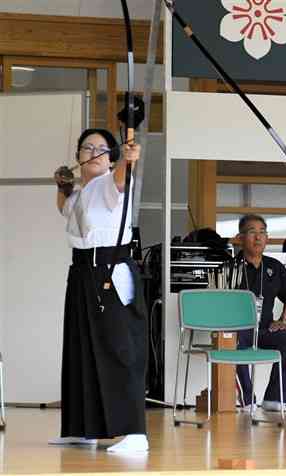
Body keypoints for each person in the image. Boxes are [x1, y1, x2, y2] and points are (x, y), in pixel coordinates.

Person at [51, 128, 148, 453]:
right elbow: (64, 207)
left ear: (111, 156)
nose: (93, 153)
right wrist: (64, 185)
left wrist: (128, 160)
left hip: (110, 272)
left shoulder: (110, 184)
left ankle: (134, 433)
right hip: (82, 274)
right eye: (87, 148)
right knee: (80, 349)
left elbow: (120, 180)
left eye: (102, 149)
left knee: (119, 350)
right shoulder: (81, 191)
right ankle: (83, 428)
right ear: (78, 155)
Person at [228, 215, 286, 412]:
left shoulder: (274, 267)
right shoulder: (230, 268)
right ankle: (248, 400)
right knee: (233, 342)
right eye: (252, 232)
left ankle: (274, 399)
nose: (258, 237)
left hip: (265, 330)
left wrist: (283, 320)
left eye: (262, 232)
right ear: (240, 238)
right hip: (239, 331)